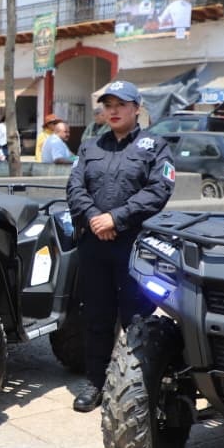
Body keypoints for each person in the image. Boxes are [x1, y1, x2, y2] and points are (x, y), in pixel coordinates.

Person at [66, 81, 175, 412]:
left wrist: (116, 219)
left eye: (120, 104)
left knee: (136, 318)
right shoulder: (89, 148)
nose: (112, 110)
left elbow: (158, 190)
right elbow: (74, 187)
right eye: (107, 104)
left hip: (134, 245)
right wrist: (96, 218)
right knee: (96, 316)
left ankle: (139, 383)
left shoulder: (155, 146)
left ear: (136, 108)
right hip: (94, 244)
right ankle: (96, 382)